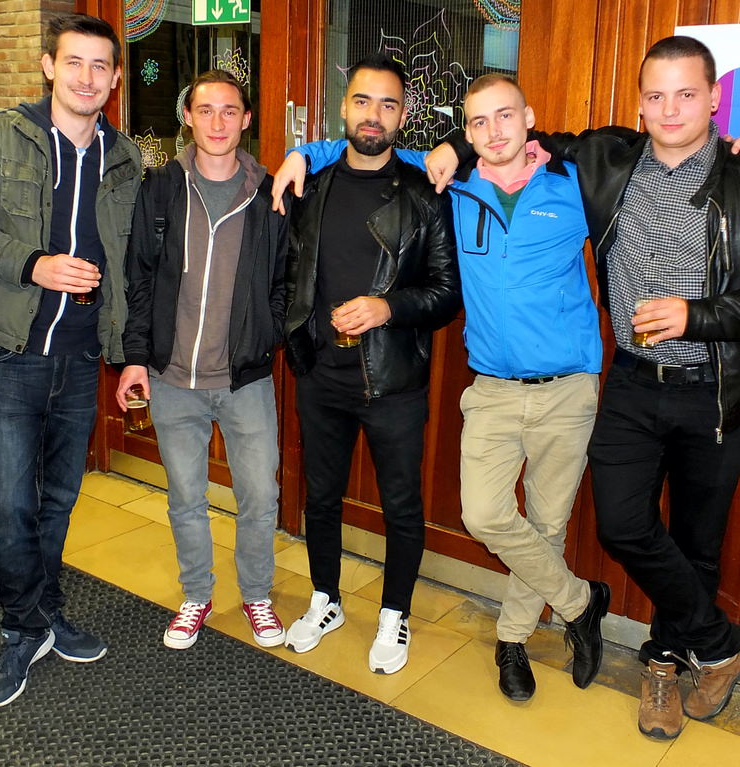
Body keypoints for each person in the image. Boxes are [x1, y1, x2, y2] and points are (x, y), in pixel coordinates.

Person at [429, 35, 740, 740]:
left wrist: (696, 316)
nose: (669, 108)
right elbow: (389, 153)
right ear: (639, 104)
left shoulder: (590, 183)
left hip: (695, 389)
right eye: (656, 96)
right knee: (589, 522)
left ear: (714, 98)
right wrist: (444, 142)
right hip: (611, 381)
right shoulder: (600, 164)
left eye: (686, 94)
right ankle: (582, 603)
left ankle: (651, 658)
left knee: (683, 538)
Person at [274, 74, 612, 700]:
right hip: (492, 387)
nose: (494, 131)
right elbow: (369, 145)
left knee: (547, 523)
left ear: (529, 117)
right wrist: (304, 151)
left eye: (505, 116)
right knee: (484, 515)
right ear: (465, 133)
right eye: (478, 122)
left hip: (567, 387)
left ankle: (513, 638)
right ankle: (580, 601)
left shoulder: (574, 185)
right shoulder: (450, 185)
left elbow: (637, 157)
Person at [0, 13, 141, 708]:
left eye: (100, 66)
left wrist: (127, 354)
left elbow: (128, 265)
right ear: (48, 66)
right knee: (11, 501)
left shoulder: (125, 157)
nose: (87, 78)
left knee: (60, 498)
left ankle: (46, 611)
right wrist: (33, 264)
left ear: (115, 78)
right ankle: (21, 627)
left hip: (80, 356)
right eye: (74, 62)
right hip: (8, 352)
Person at [281, 53, 460, 674]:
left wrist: (388, 307)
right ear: (344, 108)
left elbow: (447, 294)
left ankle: (394, 613)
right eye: (363, 101)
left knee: (401, 507)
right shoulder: (309, 186)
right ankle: (325, 599)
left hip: (394, 382)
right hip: (319, 375)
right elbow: (290, 273)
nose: (374, 115)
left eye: (388, 104)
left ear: (403, 115)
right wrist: (294, 336)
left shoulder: (425, 194)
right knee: (321, 498)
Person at [116, 71, 289, 650]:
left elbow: (285, 280)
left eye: (230, 111)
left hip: (245, 379)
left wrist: (265, 335)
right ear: (187, 117)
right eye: (206, 110)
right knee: (185, 497)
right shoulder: (162, 187)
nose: (218, 122)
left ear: (247, 119)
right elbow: (139, 279)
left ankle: (257, 594)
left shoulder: (271, 195)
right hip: (172, 378)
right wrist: (135, 358)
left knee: (260, 497)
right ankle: (197, 593)